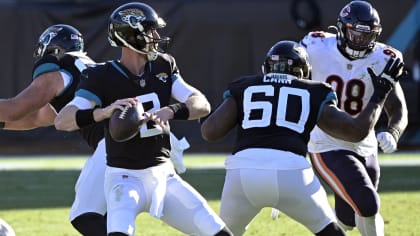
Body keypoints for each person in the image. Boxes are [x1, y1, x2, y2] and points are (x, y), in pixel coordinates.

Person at [54, 2, 232, 236]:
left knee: (219, 233)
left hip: (164, 176)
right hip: (123, 179)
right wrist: (103, 112)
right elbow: (62, 120)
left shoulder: (163, 65)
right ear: (130, 35)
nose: (156, 36)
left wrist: (172, 110)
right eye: (150, 31)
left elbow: (202, 104)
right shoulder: (100, 76)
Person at [200, 40, 403, 236]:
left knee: (223, 233)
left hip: (242, 174)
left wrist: (202, 116)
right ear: (305, 71)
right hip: (292, 173)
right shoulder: (313, 90)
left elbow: (210, 132)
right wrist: (380, 93)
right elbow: (356, 132)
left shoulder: (244, 86)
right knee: (332, 231)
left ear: (265, 67)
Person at [300, 1, 408, 235]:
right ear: (341, 28)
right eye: (355, 33)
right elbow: (294, 92)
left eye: (367, 35)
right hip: (325, 142)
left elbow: (398, 108)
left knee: (350, 217)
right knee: (367, 203)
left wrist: (393, 132)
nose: (360, 40)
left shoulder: (383, 58)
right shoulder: (316, 47)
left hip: (365, 145)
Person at [0, 24, 107, 235]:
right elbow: (39, 117)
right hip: (139, 142)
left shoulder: (60, 72)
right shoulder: (89, 68)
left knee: (85, 215)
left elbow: (14, 110)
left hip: (113, 146)